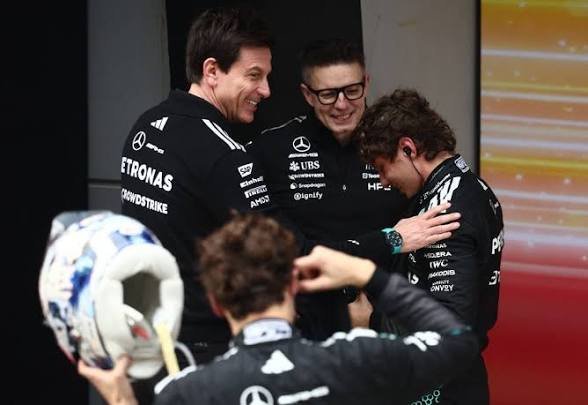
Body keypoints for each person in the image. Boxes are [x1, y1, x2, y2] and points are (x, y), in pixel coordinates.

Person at [79, 213, 479, 405]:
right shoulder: (358, 357)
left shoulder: (185, 394)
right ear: (293, 285)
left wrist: (122, 402)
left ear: (216, 303)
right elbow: (459, 340)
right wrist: (365, 273)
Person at [247, 38, 409, 339]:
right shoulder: (272, 149)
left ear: (366, 83)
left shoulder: (401, 145)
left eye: (352, 90)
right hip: (302, 330)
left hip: (386, 326)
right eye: (328, 94)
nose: (342, 104)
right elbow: (247, 234)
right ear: (307, 95)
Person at [355, 88, 504, 404]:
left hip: (442, 387)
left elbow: (449, 326)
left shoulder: (443, 208)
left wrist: (371, 321)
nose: (383, 181)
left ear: (407, 148)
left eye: (382, 167)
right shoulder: (473, 185)